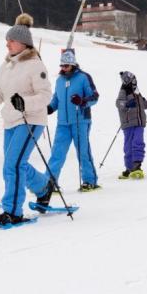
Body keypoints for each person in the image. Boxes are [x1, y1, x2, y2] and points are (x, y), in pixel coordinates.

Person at [0, 13, 53, 226]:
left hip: (31, 121)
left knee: (13, 165)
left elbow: (45, 96)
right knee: (15, 164)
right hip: (11, 120)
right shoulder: (6, 66)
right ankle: (44, 187)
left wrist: (24, 103)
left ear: (23, 43)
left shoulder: (36, 65)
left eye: (11, 40)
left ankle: (13, 210)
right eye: (7, 40)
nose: (7, 44)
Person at [46, 50, 100, 192]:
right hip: (63, 123)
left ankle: (90, 181)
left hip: (80, 120)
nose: (63, 68)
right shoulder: (59, 81)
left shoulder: (83, 77)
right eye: (62, 65)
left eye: (66, 66)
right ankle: (49, 183)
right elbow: (56, 99)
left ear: (73, 64)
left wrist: (82, 101)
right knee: (57, 153)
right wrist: (50, 108)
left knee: (83, 151)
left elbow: (94, 97)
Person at [115, 71, 147, 179]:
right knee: (128, 146)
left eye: (135, 80)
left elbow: (144, 105)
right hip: (128, 124)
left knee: (138, 142)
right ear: (127, 81)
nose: (135, 82)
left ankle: (137, 165)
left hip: (139, 123)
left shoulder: (136, 92)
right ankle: (129, 168)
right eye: (133, 80)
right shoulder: (123, 92)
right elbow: (119, 104)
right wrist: (127, 104)